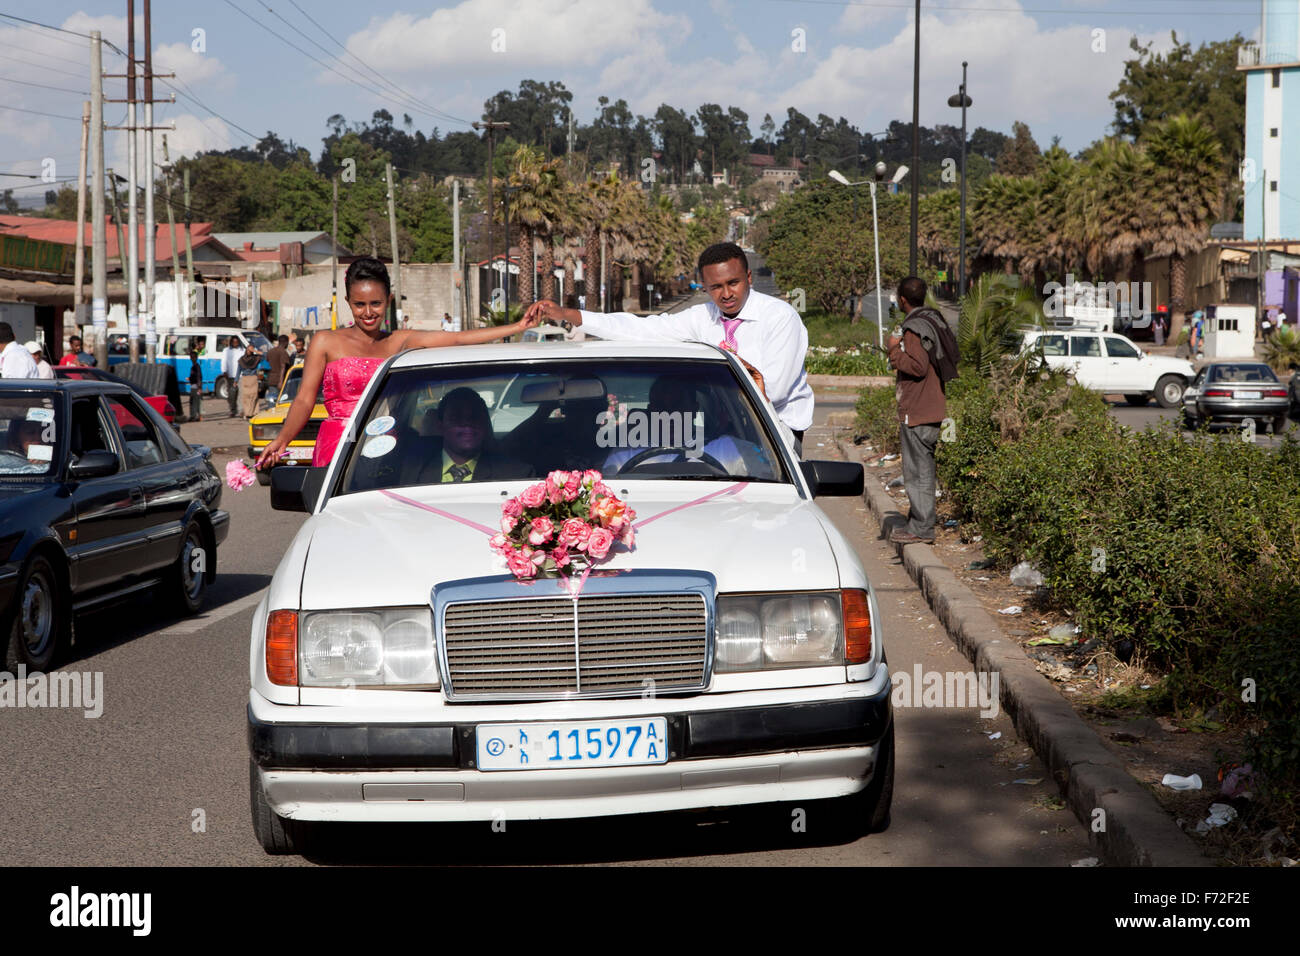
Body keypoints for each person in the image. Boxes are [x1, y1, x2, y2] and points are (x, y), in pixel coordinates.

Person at [525, 241, 814, 453]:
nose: (726, 294)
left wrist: (702, 385)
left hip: (775, 435)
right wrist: (570, 315)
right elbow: (640, 329)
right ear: (704, 286)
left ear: (749, 278)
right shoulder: (701, 317)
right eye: (715, 287)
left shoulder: (779, 318)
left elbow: (771, 391)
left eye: (733, 283)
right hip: (720, 433)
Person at [255, 256, 541, 470]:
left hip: (385, 444)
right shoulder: (325, 341)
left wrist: (515, 327)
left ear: (388, 300)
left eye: (376, 304)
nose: (368, 312)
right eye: (359, 304)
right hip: (337, 445)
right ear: (348, 301)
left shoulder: (399, 341)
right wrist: (283, 440)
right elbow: (304, 400)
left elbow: (457, 339)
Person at [887, 276, 948, 545]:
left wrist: (894, 353)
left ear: (902, 299)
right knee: (921, 469)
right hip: (931, 406)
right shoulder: (933, 319)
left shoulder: (914, 328)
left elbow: (918, 366)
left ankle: (922, 529)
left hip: (918, 409)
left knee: (918, 471)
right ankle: (917, 522)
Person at [395, 387, 533, 484]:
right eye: (456, 417)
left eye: (475, 416)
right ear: (440, 425)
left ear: (485, 423)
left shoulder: (517, 474)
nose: (467, 423)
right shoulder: (408, 471)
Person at [221, 336, 242, 418]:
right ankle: (232, 410)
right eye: (234, 342)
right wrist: (224, 371)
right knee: (231, 395)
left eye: (237, 342)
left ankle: (240, 411)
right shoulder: (226, 351)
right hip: (230, 375)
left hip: (240, 375)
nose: (235, 343)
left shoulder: (242, 351)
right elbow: (224, 361)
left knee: (240, 394)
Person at [238, 344, 261, 419]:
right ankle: (248, 413)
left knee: (254, 396)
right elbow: (238, 371)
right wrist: (235, 380)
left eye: (250, 350)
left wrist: (254, 350)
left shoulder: (256, 358)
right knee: (246, 397)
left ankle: (254, 412)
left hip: (253, 378)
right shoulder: (241, 360)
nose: (249, 351)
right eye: (248, 349)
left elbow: (264, 355)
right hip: (245, 379)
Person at [187, 344, 203, 421]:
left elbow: (199, 377)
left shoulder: (197, 367)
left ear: (196, 358)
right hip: (194, 386)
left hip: (196, 387)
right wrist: (189, 378)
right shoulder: (193, 366)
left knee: (194, 402)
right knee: (193, 401)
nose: (192, 359)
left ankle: (194, 416)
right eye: (191, 357)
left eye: (194, 357)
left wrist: (199, 387)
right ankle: (195, 416)